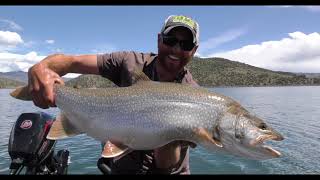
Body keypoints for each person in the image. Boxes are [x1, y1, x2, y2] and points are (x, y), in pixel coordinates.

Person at [27, 15, 200, 174]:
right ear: (159, 39)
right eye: (170, 40)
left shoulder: (195, 98)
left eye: (186, 45)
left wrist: (170, 133)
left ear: (194, 50)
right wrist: (43, 67)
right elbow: (72, 62)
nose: (176, 49)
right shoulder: (129, 62)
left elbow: (166, 165)